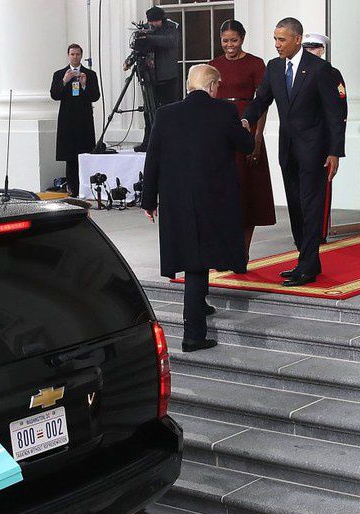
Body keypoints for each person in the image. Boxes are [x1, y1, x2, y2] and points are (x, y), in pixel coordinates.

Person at [141, 64, 253, 353]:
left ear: (189, 86)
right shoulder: (225, 111)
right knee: (197, 262)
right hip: (213, 199)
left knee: (194, 257)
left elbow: (153, 158)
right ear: (213, 86)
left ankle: (199, 305)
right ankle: (193, 335)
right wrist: (244, 127)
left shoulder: (165, 114)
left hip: (176, 200)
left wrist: (148, 200)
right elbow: (246, 146)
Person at [243, 18, 347, 287]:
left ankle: (307, 267)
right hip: (288, 150)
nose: (277, 44)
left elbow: (334, 115)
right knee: (296, 207)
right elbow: (261, 100)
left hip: (315, 152)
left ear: (297, 39)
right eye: (275, 39)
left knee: (311, 207)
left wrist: (335, 152)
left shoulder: (320, 69)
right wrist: (244, 120)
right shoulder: (275, 67)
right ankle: (306, 259)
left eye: (282, 39)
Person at [208, 19, 276, 257]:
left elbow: (263, 103)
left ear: (243, 39)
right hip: (220, 133)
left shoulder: (256, 64)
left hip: (247, 130)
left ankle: (242, 251)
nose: (229, 45)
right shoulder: (213, 65)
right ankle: (224, 248)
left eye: (234, 40)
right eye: (225, 41)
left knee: (248, 193)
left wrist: (257, 138)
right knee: (221, 192)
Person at [50, 43, 101, 196]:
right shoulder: (59, 74)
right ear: (68, 56)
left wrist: (84, 85)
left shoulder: (90, 74)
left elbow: (95, 96)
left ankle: (86, 190)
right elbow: (54, 95)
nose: (75, 57)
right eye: (72, 54)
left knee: (85, 155)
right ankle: (72, 190)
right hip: (67, 121)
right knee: (70, 157)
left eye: (77, 54)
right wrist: (64, 81)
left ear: (81, 55)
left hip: (84, 120)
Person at [135, 6, 180, 152]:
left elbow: (170, 41)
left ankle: (170, 143)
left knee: (169, 111)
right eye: (151, 21)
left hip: (167, 78)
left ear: (162, 19)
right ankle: (148, 142)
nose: (153, 24)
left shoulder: (171, 27)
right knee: (148, 110)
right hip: (150, 78)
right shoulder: (146, 29)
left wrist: (148, 37)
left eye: (155, 21)